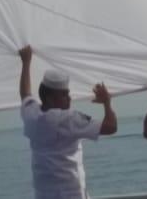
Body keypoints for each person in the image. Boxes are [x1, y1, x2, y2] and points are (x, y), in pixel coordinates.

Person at [17, 45, 116, 199]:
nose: (69, 98)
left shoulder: (32, 115)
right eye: (64, 94)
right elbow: (111, 127)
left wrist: (26, 62)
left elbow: (25, 94)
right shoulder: (67, 119)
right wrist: (107, 102)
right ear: (50, 98)